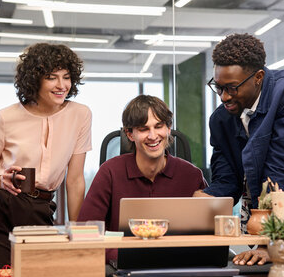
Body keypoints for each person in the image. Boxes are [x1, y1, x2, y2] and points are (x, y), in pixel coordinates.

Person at [0, 43, 92, 277]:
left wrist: (77, 230)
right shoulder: (6, 117)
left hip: (39, 211)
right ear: (35, 79)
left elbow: (75, 180)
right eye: (51, 77)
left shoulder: (80, 115)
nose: (61, 85)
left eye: (66, 77)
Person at [194, 33, 284, 265]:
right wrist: (204, 199)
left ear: (259, 77)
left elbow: (280, 171)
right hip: (263, 224)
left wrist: (268, 242)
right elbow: (228, 180)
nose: (224, 97)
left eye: (232, 88)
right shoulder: (221, 120)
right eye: (218, 87)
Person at [78, 95, 207, 264]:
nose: (153, 136)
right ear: (130, 134)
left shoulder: (192, 175)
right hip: (122, 266)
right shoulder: (110, 172)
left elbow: (208, 234)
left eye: (158, 126)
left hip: (177, 266)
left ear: (168, 128)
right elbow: (85, 232)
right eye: (144, 129)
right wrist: (127, 255)